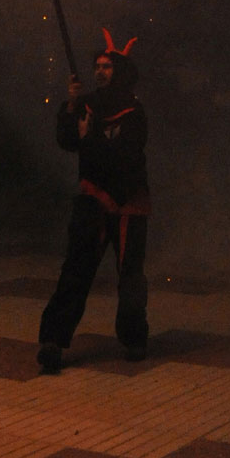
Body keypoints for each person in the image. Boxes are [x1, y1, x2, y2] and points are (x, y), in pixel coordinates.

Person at [37, 30, 150, 372]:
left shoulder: (133, 111)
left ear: (122, 71)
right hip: (93, 199)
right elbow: (68, 141)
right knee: (75, 272)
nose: (100, 72)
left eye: (107, 67)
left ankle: (133, 338)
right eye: (97, 66)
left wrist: (91, 139)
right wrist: (70, 107)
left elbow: (123, 156)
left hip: (129, 202)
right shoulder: (86, 103)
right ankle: (53, 342)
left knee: (130, 276)